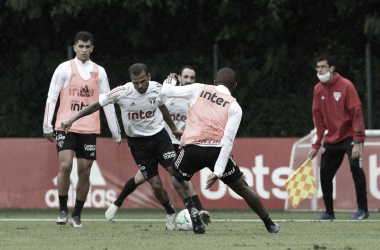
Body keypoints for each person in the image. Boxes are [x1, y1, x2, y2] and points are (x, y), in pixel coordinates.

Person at [61, 63, 182, 230]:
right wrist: (72, 119)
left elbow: (163, 105)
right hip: (138, 144)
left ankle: (194, 209)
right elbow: (97, 105)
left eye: (142, 81)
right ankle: (169, 211)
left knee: (175, 171)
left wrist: (174, 128)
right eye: (135, 82)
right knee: (156, 185)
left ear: (149, 77)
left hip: (159, 138)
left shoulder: (157, 88)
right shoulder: (123, 92)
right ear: (130, 81)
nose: (140, 86)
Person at [162, 68, 281, 234]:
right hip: (216, 151)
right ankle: (270, 224)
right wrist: (218, 172)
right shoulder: (235, 107)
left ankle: (192, 209)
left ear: (215, 82)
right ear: (235, 86)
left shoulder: (200, 88)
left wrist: (170, 81)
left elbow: (167, 91)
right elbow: (228, 141)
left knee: (177, 177)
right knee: (243, 189)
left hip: (192, 148)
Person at [104, 66, 211, 225]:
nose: (189, 80)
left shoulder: (194, 99)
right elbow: (155, 103)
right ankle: (117, 203)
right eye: (186, 77)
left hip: (179, 143)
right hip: (160, 139)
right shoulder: (167, 92)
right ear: (178, 78)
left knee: (181, 175)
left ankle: (198, 211)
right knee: (143, 178)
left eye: (192, 78)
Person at [42, 31, 121, 228]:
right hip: (65, 126)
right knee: (66, 166)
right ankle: (62, 211)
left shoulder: (99, 72)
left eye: (88, 46)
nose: (84, 50)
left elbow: (108, 102)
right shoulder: (64, 69)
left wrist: (115, 130)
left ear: (92, 48)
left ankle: (77, 214)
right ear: (75, 47)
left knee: (85, 172)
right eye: (81, 46)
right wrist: (47, 125)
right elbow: (52, 97)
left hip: (89, 128)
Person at [307, 54, 369, 220]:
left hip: (350, 137)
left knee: (356, 167)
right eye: (318, 67)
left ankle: (363, 210)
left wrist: (357, 141)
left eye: (323, 67)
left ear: (332, 69)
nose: (319, 70)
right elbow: (318, 121)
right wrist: (315, 145)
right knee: (325, 173)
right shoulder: (317, 89)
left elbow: (357, 115)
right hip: (332, 139)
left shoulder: (346, 86)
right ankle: (329, 213)